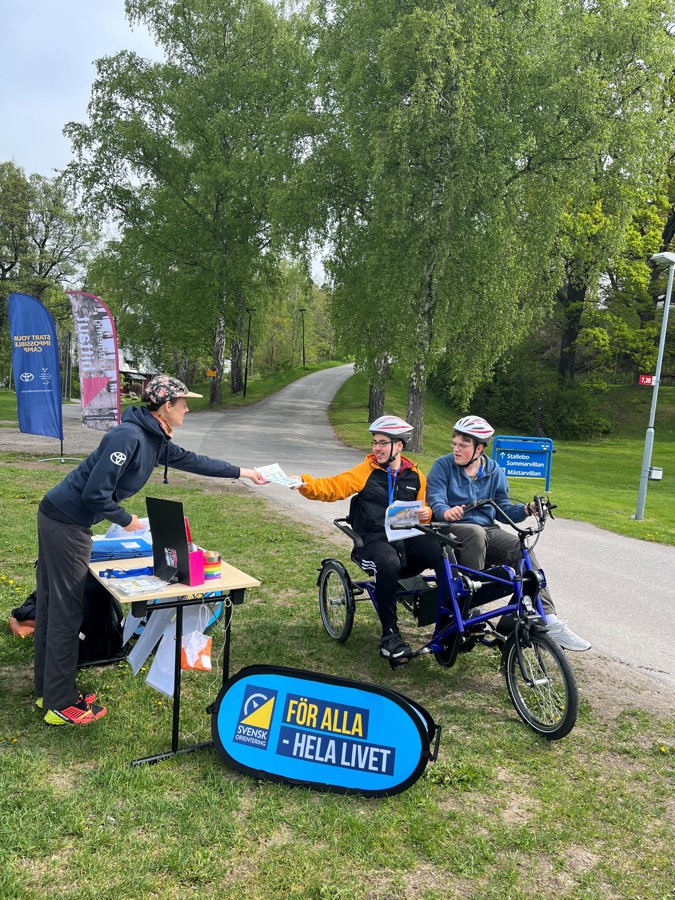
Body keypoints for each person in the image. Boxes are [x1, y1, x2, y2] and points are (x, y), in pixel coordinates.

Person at [34, 375, 268, 726]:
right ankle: (60, 703)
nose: (187, 408)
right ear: (165, 406)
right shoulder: (128, 436)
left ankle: (48, 692)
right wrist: (129, 522)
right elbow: (94, 494)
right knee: (65, 610)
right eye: (183, 402)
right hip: (65, 522)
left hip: (64, 520)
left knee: (56, 607)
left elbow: (195, 461)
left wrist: (245, 472)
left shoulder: (154, 439)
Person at [426, 415, 590, 652]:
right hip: (451, 531)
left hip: (487, 530)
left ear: (479, 448)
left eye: (463, 445)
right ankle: (470, 607)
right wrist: (445, 511)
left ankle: (550, 620)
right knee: (474, 532)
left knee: (521, 548)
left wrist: (526, 509)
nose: (456, 449)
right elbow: (436, 500)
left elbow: (503, 510)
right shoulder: (443, 466)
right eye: (454, 444)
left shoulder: (493, 470)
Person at [294, 415, 444, 662]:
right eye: (375, 442)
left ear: (399, 445)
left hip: (405, 540)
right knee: (388, 561)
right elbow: (334, 486)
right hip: (373, 543)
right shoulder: (366, 471)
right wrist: (304, 484)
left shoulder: (416, 475)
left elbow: (426, 510)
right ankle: (390, 636)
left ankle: (449, 617)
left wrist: (426, 513)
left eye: (383, 443)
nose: (377, 448)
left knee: (440, 548)